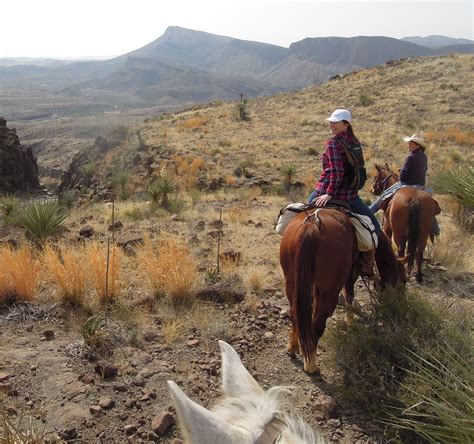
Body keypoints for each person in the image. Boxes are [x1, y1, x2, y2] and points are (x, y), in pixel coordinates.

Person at [307, 109, 380, 276]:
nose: (331, 125)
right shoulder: (354, 142)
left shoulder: (333, 144)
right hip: (350, 195)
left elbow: (337, 172)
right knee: (375, 226)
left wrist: (329, 193)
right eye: (331, 121)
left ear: (346, 124)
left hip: (325, 190)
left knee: (300, 217)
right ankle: (367, 262)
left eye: (335, 122)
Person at [369, 134, 440, 235]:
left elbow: (402, 177)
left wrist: (401, 171)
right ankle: (434, 228)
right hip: (421, 186)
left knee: (383, 197)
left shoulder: (410, 157)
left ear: (417, 145)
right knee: (429, 203)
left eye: (410, 144)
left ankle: (368, 212)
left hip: (406, 184)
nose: (408, 146)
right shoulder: (424, 157)